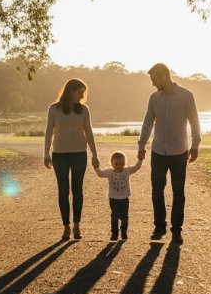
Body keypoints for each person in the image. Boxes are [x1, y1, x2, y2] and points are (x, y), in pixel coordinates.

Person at [138, 63, 201, 244]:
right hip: (158, 151)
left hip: (179, 152)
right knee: (157, 191)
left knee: (178, 192)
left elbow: (194, 122)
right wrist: (141, 145)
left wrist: (195, 145)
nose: (152, 83)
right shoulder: (154, 98)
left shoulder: (186, 96)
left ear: (163, 76)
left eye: (154, 79)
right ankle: (159, 227)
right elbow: (147, 123)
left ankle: (176, 230)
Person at [44, 78, 99, 240]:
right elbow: (48, 132)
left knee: (77, 190)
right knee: (63, 190)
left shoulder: (84, 110)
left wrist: (94, 154)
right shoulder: (54, 109)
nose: (82, 96)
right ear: (70, 91)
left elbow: (89, 133)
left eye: (84, 93)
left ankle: (77, 225)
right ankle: (66, 226)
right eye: (80, 93)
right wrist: (46, 153)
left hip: (79, 154)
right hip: (59, 155)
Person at [92, 150, 144, 241]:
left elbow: (136, 167)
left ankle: (124, 231)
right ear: (112, 163)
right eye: (116, 164)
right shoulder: (109, 172)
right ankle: (114, 233)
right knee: (114, 216)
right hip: (113, 199)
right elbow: (100, 174)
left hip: (124, 199)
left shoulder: (127, 171)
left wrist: (140, 159)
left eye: (121, 164)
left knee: (124, 216)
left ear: (124, 163)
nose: (119, 166)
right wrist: (96, 167)